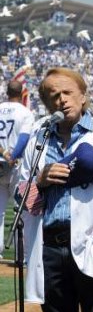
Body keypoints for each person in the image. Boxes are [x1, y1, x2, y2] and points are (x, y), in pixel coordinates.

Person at [16, 67, 93, 312]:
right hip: (50, 249)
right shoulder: (38, 140)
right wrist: (40, 182)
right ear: (47, 104)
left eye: (68, 92)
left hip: (91, 245)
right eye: (53, 95)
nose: (62, 100)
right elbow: (20, 196)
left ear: (83, 96)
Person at [0, 80, 34, 256]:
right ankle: (20, 254)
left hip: (0, 161)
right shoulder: (25, 112)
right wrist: (12, 157)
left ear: (7, 92)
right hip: (16, 165)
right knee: (20, 210)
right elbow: (23, 139)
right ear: (22, 94)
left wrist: (4, 154)